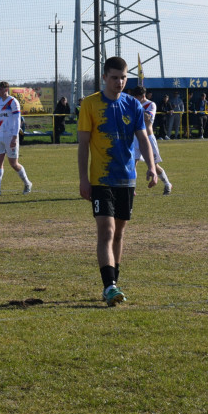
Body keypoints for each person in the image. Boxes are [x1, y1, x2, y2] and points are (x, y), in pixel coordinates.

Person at [79, 57, 157, 306]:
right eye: (114, 78)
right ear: (104, 77)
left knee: (119, 233)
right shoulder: (90, 104)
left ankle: (114, 282)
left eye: (123, 78)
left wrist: (152, 167)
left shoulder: (133, 105)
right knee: (107, 231)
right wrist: (83, 179)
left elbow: (143, 138)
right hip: (101, 179)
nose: (119, 82)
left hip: (127, 179)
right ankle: (109, 286)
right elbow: (83, 145)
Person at [0, 81, 33, 197]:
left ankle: (27, 183)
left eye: (0, 89)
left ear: (6, 89)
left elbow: (18, 120)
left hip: (10, 136)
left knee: (13, 163)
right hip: (0, 135)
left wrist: (14, 136)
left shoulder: (13, 101)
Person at [132, 86, 173, 195]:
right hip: (135, 138)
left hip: (148, 138)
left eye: (137, 97)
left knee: (154, 165)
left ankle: (167, 184)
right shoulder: (134, 104)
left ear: (143, 96)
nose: (135, 99)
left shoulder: (151, 104)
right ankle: (131, 188)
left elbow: (147, 118)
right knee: (132, 164)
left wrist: (137, 109)